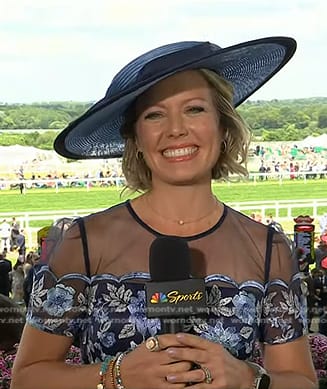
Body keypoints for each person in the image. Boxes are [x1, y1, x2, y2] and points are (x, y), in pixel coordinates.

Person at [11, 37, 317, 389]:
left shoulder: (270, 249)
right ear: (136, 138)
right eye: (155, 114)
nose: (176, 129)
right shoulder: (83, 243)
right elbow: (27, 377)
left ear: (223, 126)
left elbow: (302, 382)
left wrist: (249, 378)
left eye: (195, 109)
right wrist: (116, 375)